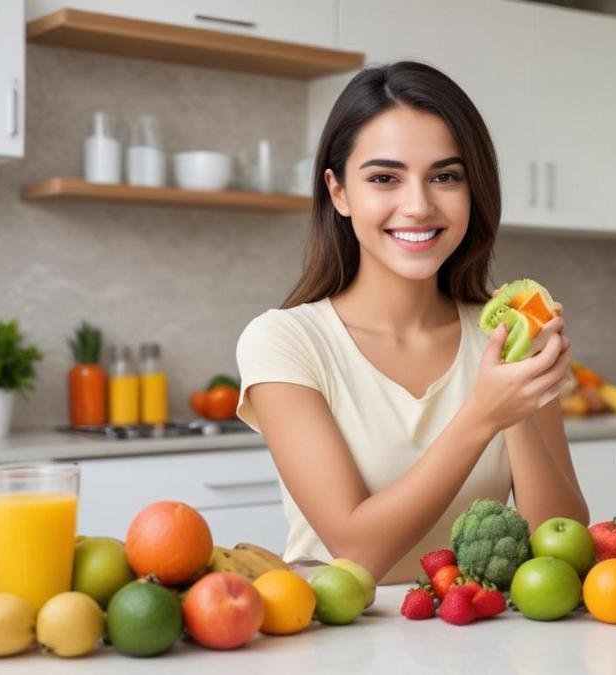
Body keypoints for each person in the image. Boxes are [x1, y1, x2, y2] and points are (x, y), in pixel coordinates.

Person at [235, 62, 589, 584]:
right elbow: (355, 552)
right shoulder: (285, 342)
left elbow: (560, 545)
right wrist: (484, 414)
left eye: (445, 177)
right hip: (340, 649)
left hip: (480, 639)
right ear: (339, 193)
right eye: (384, 178)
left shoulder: (507, 331)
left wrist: (517, 406)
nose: (419, 205)